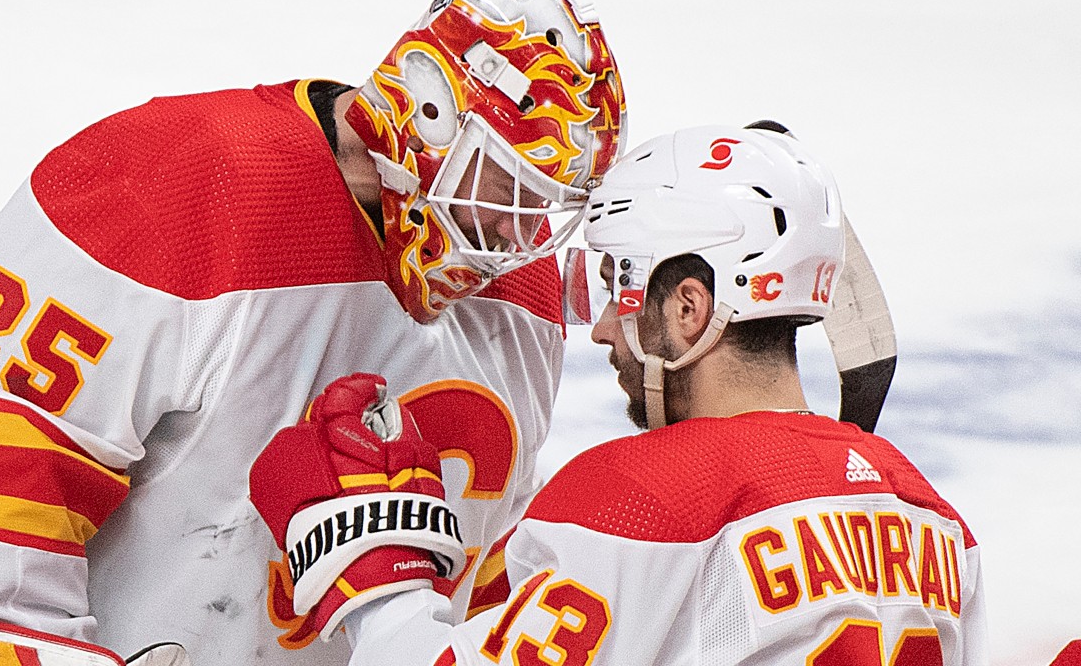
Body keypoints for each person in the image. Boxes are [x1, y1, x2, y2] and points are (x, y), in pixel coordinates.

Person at [0, 0, 626, 666]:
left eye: (545, 205)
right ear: (431, 111)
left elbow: (479, 578)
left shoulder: (521, 294)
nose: (517, 234)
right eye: (509, 185)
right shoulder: (183, 176)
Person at [248, 123, 988, 664]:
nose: (603, 326)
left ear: (690, 308)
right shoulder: (931, 515)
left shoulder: (640, 500)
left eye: (619, 285)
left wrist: (375, 577)